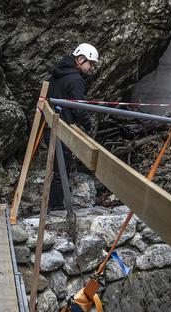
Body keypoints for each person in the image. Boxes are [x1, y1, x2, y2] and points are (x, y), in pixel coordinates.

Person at [47, 43, 98, 210]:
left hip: (51, 125)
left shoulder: (57, 75)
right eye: (90, 63)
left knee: (57, 166)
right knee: (62, 167)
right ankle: (56, 206)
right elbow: (79, 107)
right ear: (80, 59)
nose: (91, 68)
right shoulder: (75, 79)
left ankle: (56, 203)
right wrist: (87, 125)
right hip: (63, 126)